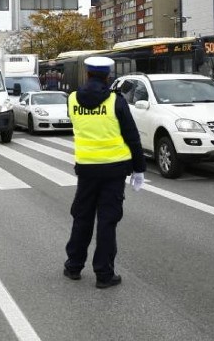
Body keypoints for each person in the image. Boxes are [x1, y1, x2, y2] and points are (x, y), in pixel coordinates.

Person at [64, 56, 146, 289]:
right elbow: (132, 137)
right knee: (107, 222)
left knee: (82, 218)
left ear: (87, 74)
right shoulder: (115, 101)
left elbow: (78, 124)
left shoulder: (72, 100)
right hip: (114, 170)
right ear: (108, 76)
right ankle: (104, 274)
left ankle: (73, 266)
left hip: (86, 169)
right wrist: (139, 169)